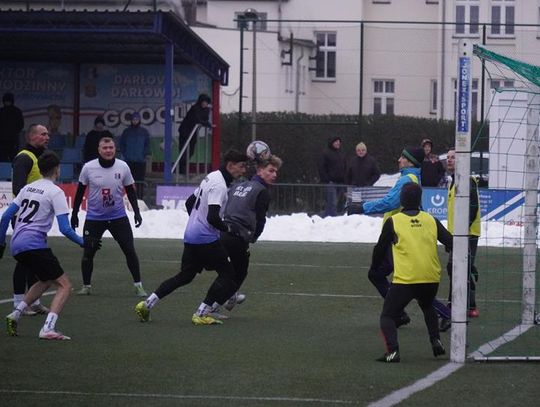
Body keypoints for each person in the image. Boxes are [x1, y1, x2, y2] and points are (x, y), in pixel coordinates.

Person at [135, 150, 248, 325]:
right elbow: (213, 217)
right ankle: (201, 313)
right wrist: (228, 228)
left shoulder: (211, 176)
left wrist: (196, 222)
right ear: (230, 165)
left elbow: (189, 203)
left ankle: (146, 304)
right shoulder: (219, 185)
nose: (243, 170)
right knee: (228, 274)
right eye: (241, 166)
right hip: (205, 238)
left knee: (185, 276)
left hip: (191, 235)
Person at [347, 146, 451, 326]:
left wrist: (361, 207)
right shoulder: (411, 177)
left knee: (409, 284)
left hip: (401, 237)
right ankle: (399, 313)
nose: (398, 160)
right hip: (400, 236)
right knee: (378, 275)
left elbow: (391, 202)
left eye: (402, 157)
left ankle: (443, 314)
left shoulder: (407, 179)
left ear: (410, 162)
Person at [0, 151, 88, 340]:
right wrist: (84, 243)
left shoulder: (27, 188)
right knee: (65, 286)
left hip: (16, 244)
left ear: (39, 169)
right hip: (34, 244)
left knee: (46, 279)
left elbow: (6, 216)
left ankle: (15, 314)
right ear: (58, 170)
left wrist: (1, 243)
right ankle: (48, 328)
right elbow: (65, 229)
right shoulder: (55, 192)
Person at [374, 183, 452, 362]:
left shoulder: (394, 221)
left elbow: (380, 248)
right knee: (427, 306)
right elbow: (450, 241)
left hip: (406, 280)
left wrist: (375, 267)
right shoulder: (431, 219)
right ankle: (436, 340)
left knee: (388, 315)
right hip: (431, 278)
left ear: (401, 200)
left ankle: (393, 352)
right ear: (420, 200)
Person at [70, 137, 147, 296]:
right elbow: (79, 192)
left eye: (111, 147)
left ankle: (138, 285)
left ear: (115, 149)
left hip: (118, 217)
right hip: (94, 219)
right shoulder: (88, 168)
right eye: (105, 148)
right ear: (99, 150)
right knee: (88, 253)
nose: (108, 150)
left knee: (129, 250)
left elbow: (130, 190)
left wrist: (137, 212)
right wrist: (75, 213)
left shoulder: (123, 166)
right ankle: (86, 286)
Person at [215, 155, 283, 318]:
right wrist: (253, 237)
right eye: (271, 171)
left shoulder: (239, 185)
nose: (274, 175)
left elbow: (227, 206)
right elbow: (260, 220)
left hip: (224, 231)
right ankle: (212, 306)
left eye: (276, 172)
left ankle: (229, 296)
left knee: (229, 271)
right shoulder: (261, 191)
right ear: (260, 170)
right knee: (238, 273)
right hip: (238, 235)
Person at [439, 148, 481, 332]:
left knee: (456, 267)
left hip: (467, 234)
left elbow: (473, 207)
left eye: (453, 158)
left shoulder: (467, 181)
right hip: (456, 235)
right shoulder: (453, 181)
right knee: (460, 267)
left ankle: (453, 306)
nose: (449, 160)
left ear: (461, 160)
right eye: (448, 158)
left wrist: (462, 232)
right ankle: (470, 305)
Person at [11, 124, 51, 316]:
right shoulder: (24, 158)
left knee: (34, 260)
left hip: (36, 219)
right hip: (23, 218)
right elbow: (18, 189)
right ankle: (19, 303)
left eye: (47, 134)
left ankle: (34, 302)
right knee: (25, 261)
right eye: (43, 134)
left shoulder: (38, 158)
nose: (47, 137)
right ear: (31, 136)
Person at [177, 94, 212, 174]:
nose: (205, 104)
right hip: (185, 130)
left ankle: (181, 166)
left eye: (206, 102)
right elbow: (197, 119)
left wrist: (207, 124)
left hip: (193, 131)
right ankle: (181, 169)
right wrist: (206, 123)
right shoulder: (194, 108)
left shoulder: (207, 110)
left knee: (191, 150)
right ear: (200, 101)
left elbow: (205, 120)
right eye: (204, 102)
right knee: (184, 150)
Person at [119, 112, 150, 200]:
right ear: (131, 120)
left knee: (140, 181)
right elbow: (122, 144)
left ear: (139, 120)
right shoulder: (126, 132)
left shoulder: (144, 132)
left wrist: (144, 155)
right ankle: (128, 198)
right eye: (133, 119)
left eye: (137, 119)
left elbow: (147, 145)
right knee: (128, 181)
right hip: (129, 160)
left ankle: (139, 198)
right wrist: (125, 154)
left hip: (140, 161)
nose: (135, 121)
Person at [317, 136, 346, 217]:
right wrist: (327, 179)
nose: (338, 143)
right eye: (336, 141)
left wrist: (344, 179)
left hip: (340, 183)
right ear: (332, 142)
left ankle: (327, 218)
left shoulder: (341, 153)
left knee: (335, 203)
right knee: (331, 203)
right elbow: (321, 167)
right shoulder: (325, 153)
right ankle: (331, 218)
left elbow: (344, 166)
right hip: (330, 183)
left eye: (339, 142)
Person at [0, 92, 24, 162]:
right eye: (6, 101)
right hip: (3, 140)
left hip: (12, 140)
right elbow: (21, 125)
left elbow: (20, 125)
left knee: (13, 158)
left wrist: (13, 133)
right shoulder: (1, 111)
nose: (7, 103)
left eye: (8, 101)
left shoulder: (17, 112)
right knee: (2, 158)